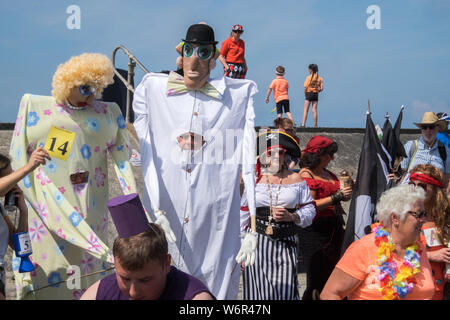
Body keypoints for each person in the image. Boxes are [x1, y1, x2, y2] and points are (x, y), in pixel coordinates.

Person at [133, 23, 257, 300]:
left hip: (212, 217)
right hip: (168, 207)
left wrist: (254, 225)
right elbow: (141, 138)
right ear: (180, 55)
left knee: (213, 280)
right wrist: (154, 203)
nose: (195, 60)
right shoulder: (154, 89)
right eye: (189, 51)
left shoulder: (236, 97)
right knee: (162, 274)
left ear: (214, 60)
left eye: (203, 53)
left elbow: (248, 152)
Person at [9, 53, 137, 299]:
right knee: (49, 269)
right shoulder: (35, 107)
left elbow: (123, 162)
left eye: (97, 89)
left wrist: (133, 208)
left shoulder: (107, 113)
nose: (91, 96)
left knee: (88, 269)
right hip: (47, 210)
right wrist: (27, 191)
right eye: (85, 88)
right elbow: (17, 154)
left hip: (91, 210)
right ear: (67, 84)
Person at [81, 194, 214, 300]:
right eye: (125, 279)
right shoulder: (99, 294)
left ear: (166, 263)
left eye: (145, 280)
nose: (133, 292)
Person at [321, 184, 435, 300]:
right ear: (395, 218)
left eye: (424, 214)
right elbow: (330, 294)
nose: (424, 220)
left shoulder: (419, 250)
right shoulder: (364, 248)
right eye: (418, 214)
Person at [238, 131, 316, 299]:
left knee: (286, 291)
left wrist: (292, 216)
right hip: (257, 244)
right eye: (270, 153)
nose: (276, 156)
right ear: (262, 156)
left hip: (286, 244)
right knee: (256, 291)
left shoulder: (296, 179)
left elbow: (310, 209)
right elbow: (243, 214)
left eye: (280, 152)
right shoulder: (254, 179)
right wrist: (242, 247)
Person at [297, 135, 352, 300]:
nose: (332, 158)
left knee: (333, 273)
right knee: (317, 277)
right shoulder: (306, 174)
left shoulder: (328, 173)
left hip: (334, 228)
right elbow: (309, 205)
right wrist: (336, 197)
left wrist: (347, 191)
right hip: (316, 231)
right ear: (319, 154)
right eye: (329, 154)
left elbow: (342, 196)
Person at [0, 148, 50, 300]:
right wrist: (29, 167)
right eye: (10, 176)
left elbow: (18, 247)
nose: (14, 180)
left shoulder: (1, 210)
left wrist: (23, 211)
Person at [408, 164, 450, 300]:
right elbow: (394, 250)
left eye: (422, 186)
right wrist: (431, 255)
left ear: (434, 188)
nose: (415, 189)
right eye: (412, 185)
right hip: (411, 286)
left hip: (440, 288)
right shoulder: (403, 215)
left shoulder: (446, 215)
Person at [400, 111, 450, 194]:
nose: (428, 130)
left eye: (431, 127)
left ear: (438, 128)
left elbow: (448, 180)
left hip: (435, 201)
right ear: (421, 129)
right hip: (412, 200)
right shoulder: (410, 147)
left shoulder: (446, 150)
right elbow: (402, 176)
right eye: (424, 127)